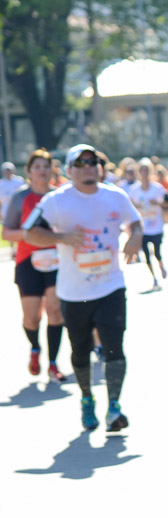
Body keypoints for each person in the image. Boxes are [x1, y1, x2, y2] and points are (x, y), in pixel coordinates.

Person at [23, 144, 142, 431]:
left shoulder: (115, 195)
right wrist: (63, 237)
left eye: (93, 161)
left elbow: (135, 223)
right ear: (68, 169)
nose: (88, 166)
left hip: (111, 285)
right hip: (74, 292)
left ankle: (114, 407)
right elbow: (30, 232)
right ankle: (87, 399)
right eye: (81, 162)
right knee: (80, 352)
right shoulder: (56, 201)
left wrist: (135, 237)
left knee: (115, 347)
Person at [2, 149, 66, 382]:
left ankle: (53, 363)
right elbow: (6, 231)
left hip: (56, 261)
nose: (42, 170)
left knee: (55, 310)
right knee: (32, 318)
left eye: (46, 166)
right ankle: (35, 348)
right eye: (37, 166)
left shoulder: (59, 196)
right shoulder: (20, 197)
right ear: (28, 171)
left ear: (51, 170)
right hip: (28, 262)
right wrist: (30, 235)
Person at [127, 158, 168, 289]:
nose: (144, 173)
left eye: (146, 170)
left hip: (156, 226)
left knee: (157, 253)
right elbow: (129, 205)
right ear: (139, 173)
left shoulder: (157, 188)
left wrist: (158, 203)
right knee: (146, 254)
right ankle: (154, 278)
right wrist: (136, 206)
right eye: (142, 170)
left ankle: (161, 265)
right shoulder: (134, 190)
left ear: (150, 172)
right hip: (142, 228)